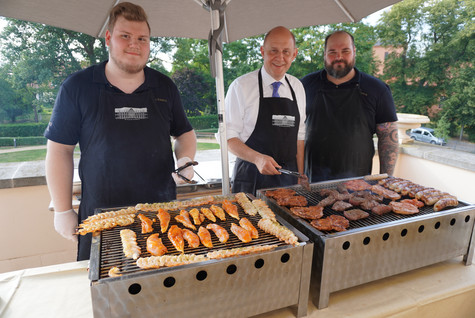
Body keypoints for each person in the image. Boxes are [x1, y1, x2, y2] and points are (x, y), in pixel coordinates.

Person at [44, 2, 197, 261]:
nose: (134, 44)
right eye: (125, 36)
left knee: (162, 288)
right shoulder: (77, 87)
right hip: (101, 214)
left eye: (142, 38)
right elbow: (60, 150)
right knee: (106, 293)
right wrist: (62, 209)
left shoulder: (164, 86)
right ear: (108, 38)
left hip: (160, 211)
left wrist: (185, 159)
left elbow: (184, 133)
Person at [302, 30, 399, 182]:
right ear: (324, 54)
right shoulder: (305, 85)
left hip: (357, 186)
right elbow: (293, 133)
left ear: (354, 52)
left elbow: (388, 139)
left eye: (345, 51)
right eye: (332, 52)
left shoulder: (377, 89)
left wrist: (385, 180)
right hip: (311, 181)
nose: (338, 57)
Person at [225, 26, 306, 195]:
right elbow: (228, 139)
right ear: (262, 51)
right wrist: (257, 158)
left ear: (294, 54)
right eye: (273, 51)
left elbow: (299, 136)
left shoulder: (297, 87)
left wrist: (300, 174)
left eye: (286, 51)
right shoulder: (241, 86)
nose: (280, 58)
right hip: (251, 178)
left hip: (288, 179)